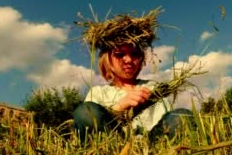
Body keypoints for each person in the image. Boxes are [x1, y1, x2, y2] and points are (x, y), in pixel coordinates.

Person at [72, 8, 193, 141]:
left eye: (134, 54)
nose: (129, 60)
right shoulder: (98, 93)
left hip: (152, 142)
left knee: (183, 116)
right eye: (120, 54)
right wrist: (119, 108)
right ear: (107, 60)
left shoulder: (153, 88)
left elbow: (169, 121)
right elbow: (91, 122)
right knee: (86, 111)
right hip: (114, 141)